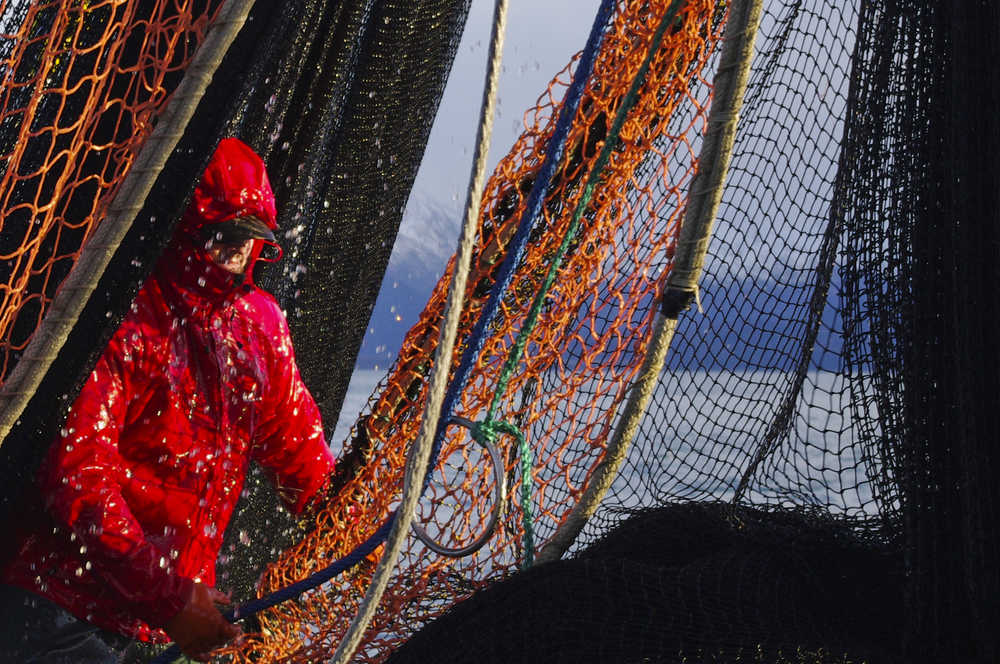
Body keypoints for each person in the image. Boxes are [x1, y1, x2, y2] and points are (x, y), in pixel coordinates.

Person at [1, 138, 358, 662]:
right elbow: (78, 476)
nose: (236, 253)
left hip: (156, 622)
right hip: (56, 607)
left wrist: (352, 526)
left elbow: (297, 450)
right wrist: (169, 599)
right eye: (222, 236)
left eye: (249, 237)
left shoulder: (260, 328)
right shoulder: (126, 316)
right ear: (183, 225)